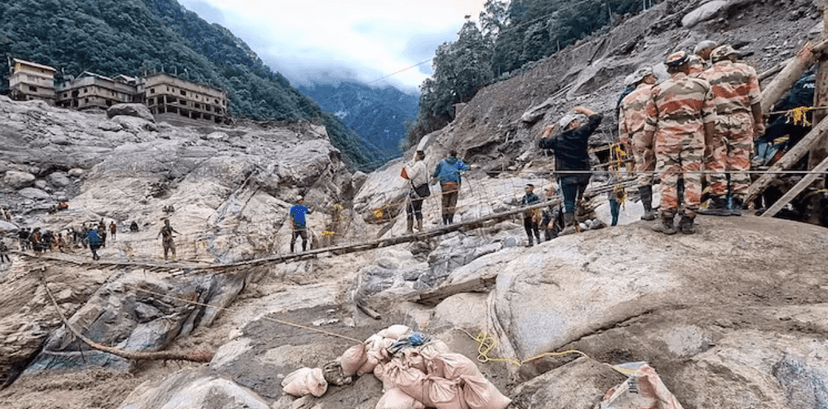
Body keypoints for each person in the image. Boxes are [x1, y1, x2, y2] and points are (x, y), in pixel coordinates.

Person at [644, 51, 716, 235]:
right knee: (692, 176)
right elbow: (709, 117)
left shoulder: (657, 90)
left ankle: (667, 221)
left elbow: (650, 124)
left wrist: (648, 147)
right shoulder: (702, 85)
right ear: (686, 66)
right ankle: (688, 220)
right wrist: (709, 142)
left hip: (666, 140)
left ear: (668, 70)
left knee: (668, 178)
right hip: (694, 137)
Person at [697, 45, 763, 216]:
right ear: (731, 57)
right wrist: (758, 122)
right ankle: (737, 202)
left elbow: (701, 104)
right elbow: (755, 99)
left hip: (715, 121)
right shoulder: (748, 70)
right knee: (740, 160)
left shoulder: (704, 76)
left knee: (716, 160)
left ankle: (718, 201)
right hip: (741, 119)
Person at [539, 106, 603, 234]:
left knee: (567, 200)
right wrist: (583, 110)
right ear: (572, 124)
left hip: (566, 175)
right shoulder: (581, 133)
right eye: (576, 120)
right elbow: (596, 118)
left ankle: (569, 226)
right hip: (583, 174)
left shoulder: (557, 139)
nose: (578, 122)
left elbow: (542, 143)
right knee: (577, 198)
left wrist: (547, 130)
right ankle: (577, 220)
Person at [619, 66, 658, 221]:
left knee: (643, 172)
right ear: (646, 78)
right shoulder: (656, 89)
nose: (655, 78)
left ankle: (648, 210)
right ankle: (675, 207)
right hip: (660, 132)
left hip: (637, 136)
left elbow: (622, 127)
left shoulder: (626, 99)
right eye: (653, 76)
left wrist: (628, 150)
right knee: (671, 167)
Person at [433, 150, 470, 225]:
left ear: (449, 155)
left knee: (444, 203)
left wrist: (434, 175)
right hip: (454, 184)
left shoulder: (442, 162)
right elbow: (466, 167)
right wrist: (468, 164)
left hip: (445, 185)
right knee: (452, 203)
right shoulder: (458, 162)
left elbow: (436, 173)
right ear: (455, 155)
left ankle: (444, 222)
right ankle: (450, 221)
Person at [402, 150, 429, 234]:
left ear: (417, 156)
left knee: (409, 209)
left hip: (416, 190)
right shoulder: (424, 165)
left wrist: (407, 167)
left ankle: (409, 229)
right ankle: (420, 227)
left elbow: (411, 175)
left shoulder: (418, 165)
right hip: (423, 189)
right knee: (418, 209)